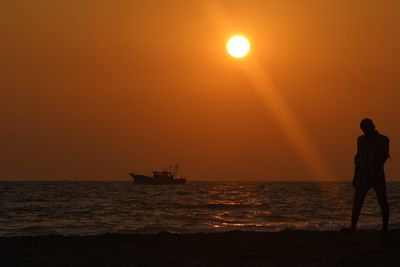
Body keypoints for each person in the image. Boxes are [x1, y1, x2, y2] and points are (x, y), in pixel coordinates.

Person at [343, 118, 390, 233]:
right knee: (357, 202)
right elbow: (358, 159)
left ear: (373, 126)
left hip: (377, 176)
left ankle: (385, 228)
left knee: (382, 201)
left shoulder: (384, 140)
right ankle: (353, 227)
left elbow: (384, 157)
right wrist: (355, 177)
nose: (365, 131)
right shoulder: (360, 140)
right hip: (363, 176)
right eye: (363, 129)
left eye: (367, 128)